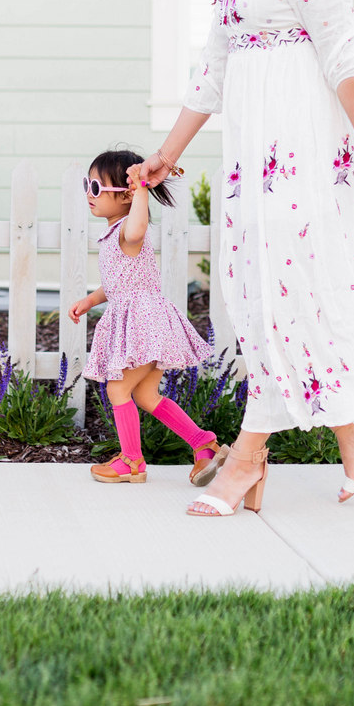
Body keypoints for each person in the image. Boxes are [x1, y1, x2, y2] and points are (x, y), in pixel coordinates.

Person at [132, 0, 354, 518]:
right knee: (262, 293)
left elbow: (343, 54)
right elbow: (213, 73)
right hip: (249, 158)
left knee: (303, 280)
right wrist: (168, 151)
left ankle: (249, 458)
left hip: (304, 149)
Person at [68, 148, 226, 485]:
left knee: (117, 389)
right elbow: (117, 284)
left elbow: (139, 228)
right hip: (144, 323)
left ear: (125, 196)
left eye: (96, 188)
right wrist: (90, 300)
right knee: (145, 395)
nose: (89, 195)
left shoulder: (129, 230)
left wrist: (141, 188)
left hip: (144, 324)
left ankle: (132, 461)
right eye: (88, 185)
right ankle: (203, 443)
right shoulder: (112, 235)